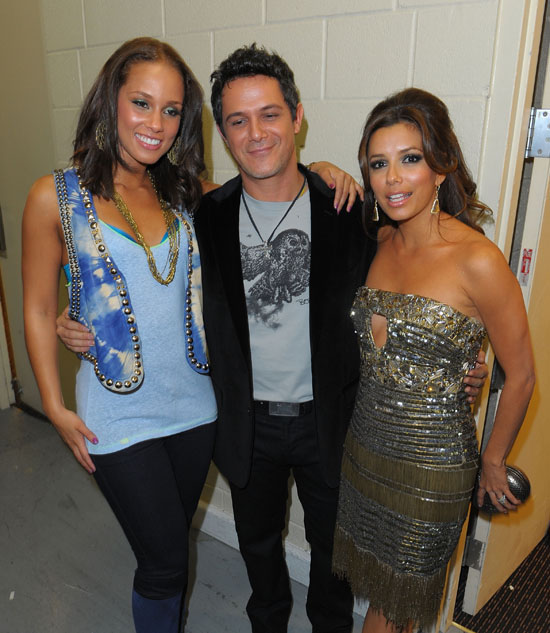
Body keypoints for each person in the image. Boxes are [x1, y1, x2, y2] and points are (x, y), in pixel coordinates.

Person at [56, 45, 487, 632]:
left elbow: (412, 289)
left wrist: (459, 363)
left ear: (297, 117)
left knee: (333, 570)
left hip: (332, 423)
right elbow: (139, 272)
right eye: (237, 120)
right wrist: (74, 318)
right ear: (224, 135)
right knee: (261, 562)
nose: (255, 133)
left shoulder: (350, 212)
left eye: (269, 115)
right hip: (244, 424)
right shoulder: (200, 215)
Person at [331, 88, 535, 633]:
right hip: (367, 452)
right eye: (379, 164)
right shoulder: (380, 239)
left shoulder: (478, 259)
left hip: (432, 470)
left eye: (410, 159)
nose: (393, 178)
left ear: (441, 168)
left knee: (391, 611)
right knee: (386, 596)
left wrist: (493, 460)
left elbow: (523, 375)